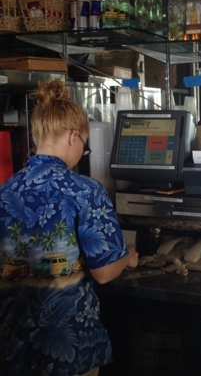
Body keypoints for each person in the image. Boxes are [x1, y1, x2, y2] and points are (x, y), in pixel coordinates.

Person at [0, 79, 139, 376]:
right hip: (68, 351)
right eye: (85, 147)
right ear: (74, 136)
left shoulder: (5, 190)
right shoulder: (85, 191)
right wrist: (128, 257)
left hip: (12, 349)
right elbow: (104, 272)